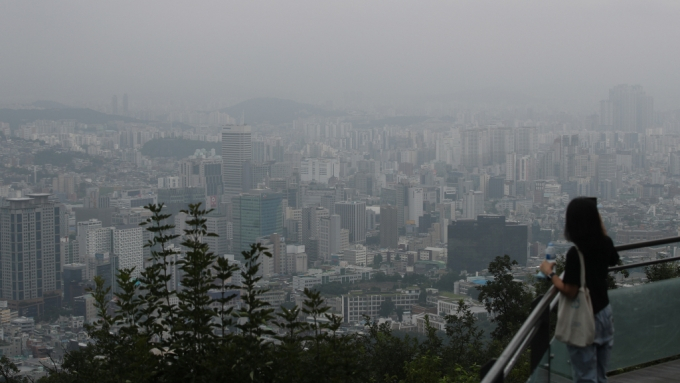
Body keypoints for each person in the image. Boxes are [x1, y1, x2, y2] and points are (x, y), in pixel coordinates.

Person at [540, 197, 620, 383]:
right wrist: (601, 229)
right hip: (605, 314)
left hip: (584, 318)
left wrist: (549, 273)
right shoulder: (605, 243)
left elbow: (570, 290)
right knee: (601, 375)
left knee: (585, 377)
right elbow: (613, 260)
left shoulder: (576, 254)